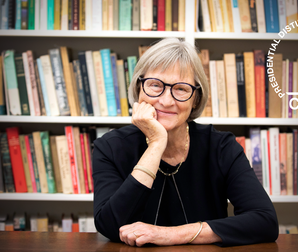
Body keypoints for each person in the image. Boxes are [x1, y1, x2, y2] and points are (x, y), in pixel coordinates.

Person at [92, 38, 279, 247]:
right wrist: (156, 144)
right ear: (139, 89)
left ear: (196, 99)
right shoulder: (109, 147)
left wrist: (169, 235)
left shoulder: (221, 147)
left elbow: (265, 221)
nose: (166, 101)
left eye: (181, 89)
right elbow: (108, 225)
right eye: (155, 85)